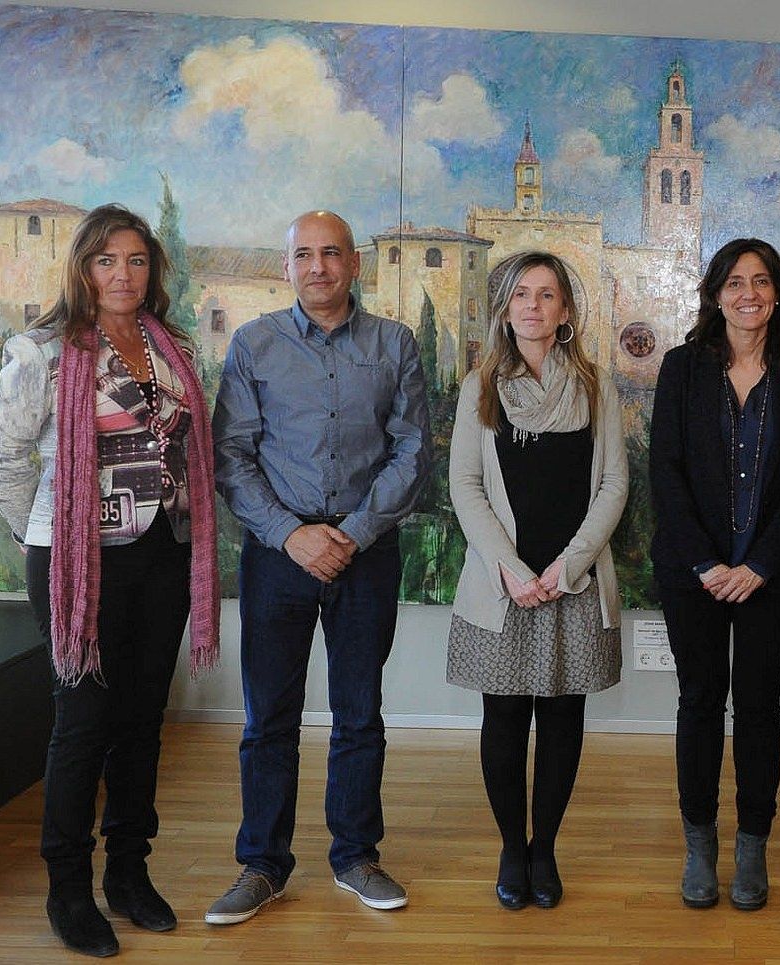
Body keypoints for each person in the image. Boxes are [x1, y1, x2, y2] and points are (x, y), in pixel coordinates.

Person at [0, 203, 220, 958]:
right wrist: (46, 533)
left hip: (163, 555)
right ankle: (69, 888)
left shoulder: (168, 346)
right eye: (107, 260)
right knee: (83, 723)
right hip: (79, 566)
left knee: (143, 720)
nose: (123, 274)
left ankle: (128, 873)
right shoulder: (42, 351)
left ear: (153, 270)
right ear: (83, 269)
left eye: (137, 260)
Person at [207, 210, 432, 925]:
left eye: (331, 253)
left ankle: (355, 856)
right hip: (278, 556)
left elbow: (413, 452)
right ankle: (262, 865)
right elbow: (231, 456)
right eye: (303, 254)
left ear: (354, 264)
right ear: (287, 267)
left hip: (366, 555)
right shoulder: (254, 345)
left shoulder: (394, 343)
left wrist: (355, 533)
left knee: (358, 713)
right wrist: (290, 534)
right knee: (267, 716)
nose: (317, 267)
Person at [445, 251, 628, 910]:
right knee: (502, 717)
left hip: (571, 584)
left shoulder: (596, 386)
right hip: (504, 587)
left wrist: (567, 565)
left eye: (546, 294)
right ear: (505, 309)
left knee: (560, 718)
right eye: (520, 293)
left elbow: (612, 483)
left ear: (564, 313)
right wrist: (513, 569)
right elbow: (465, 486)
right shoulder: (480, 386)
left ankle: (544, 848)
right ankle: (510, 847)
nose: (532, 305)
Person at [649, 238, 780, 911]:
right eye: (733, 281)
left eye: (759, 281)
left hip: (770, 575)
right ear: (714, 293)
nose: (746, 293)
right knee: (698, 701)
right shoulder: (680, 368)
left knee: (757, 706)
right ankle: (699, 847)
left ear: (777, 293)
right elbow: (663, 471)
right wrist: (706, 561)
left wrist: (757, 563)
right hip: (691, 571)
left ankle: (751, 847)